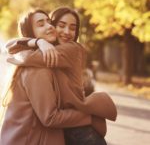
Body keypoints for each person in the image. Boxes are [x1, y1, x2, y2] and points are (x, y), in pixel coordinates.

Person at [5, 7, 117, 144]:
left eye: (72, 28)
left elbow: (16, 53)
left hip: (79, 131)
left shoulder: (71, 49)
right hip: (67, 127)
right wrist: (38, 41)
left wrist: (38, 42)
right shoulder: (42, 62)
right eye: (61, 25)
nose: (67, 32)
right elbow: (11, 48)